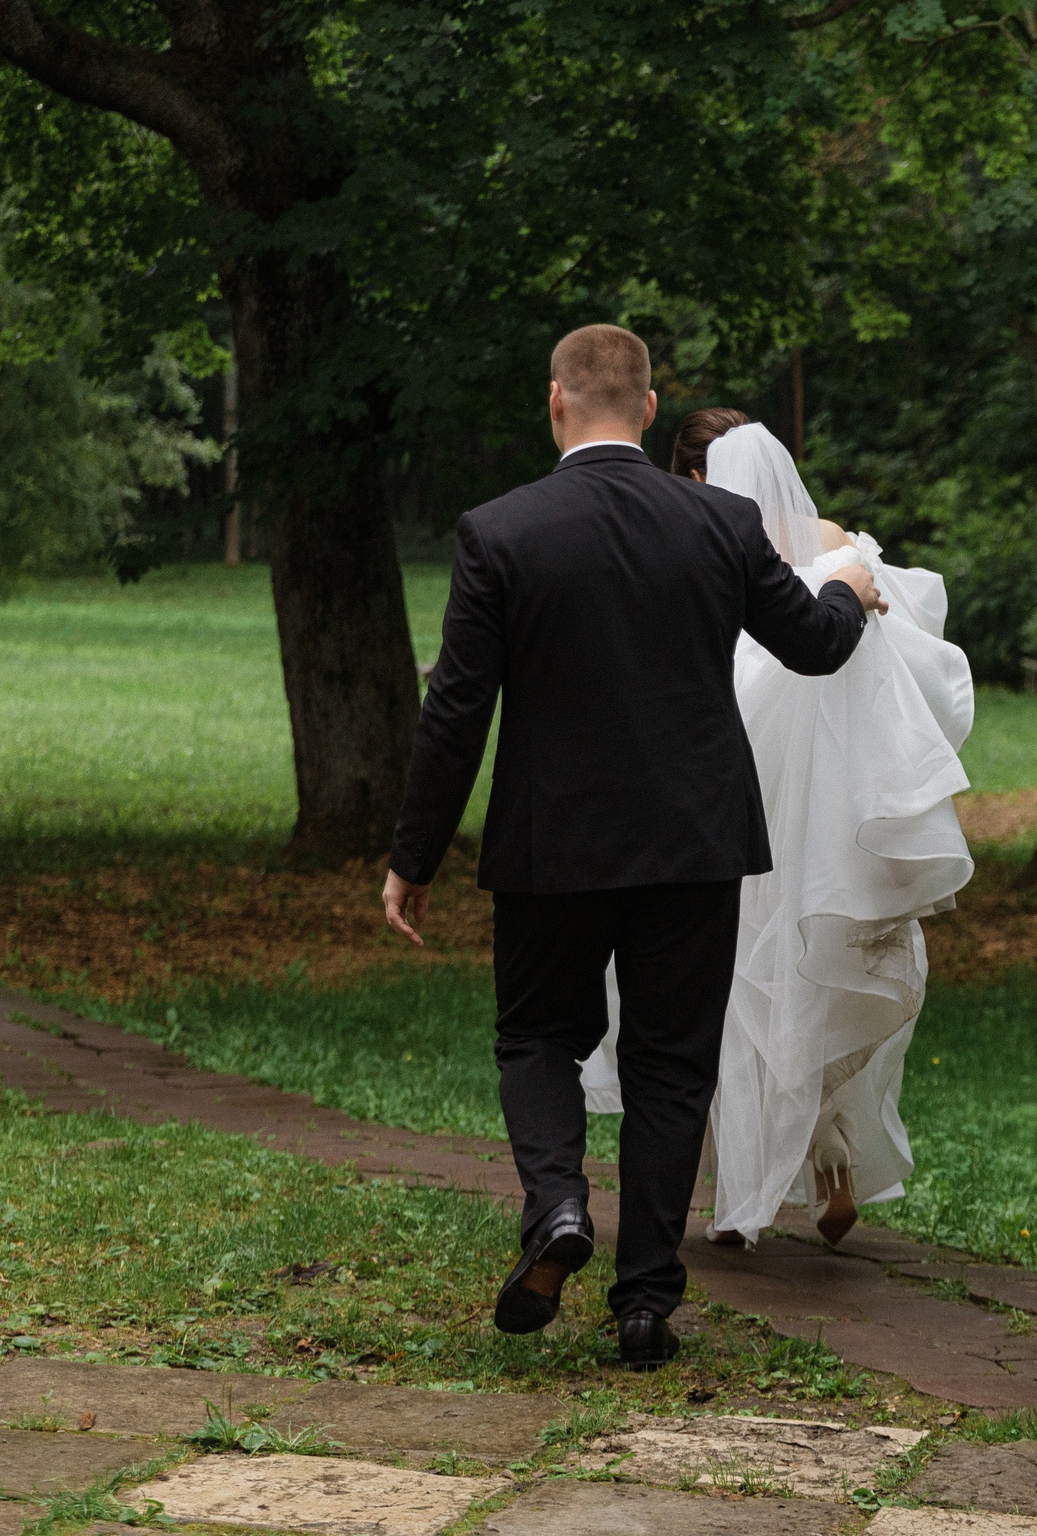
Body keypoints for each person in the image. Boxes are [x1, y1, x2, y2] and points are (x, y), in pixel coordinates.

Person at [381, 328, 886, 1371]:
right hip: (694, 843)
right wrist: (850, 586)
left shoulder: (500, 531)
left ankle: (559, 1204)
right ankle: (645, 1302)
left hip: (551, 843)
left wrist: (412, 855)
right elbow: (815, 642)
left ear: (555, 402)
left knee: (536, 1037)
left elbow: (455, 711)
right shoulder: (721, 520)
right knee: (669, 1069)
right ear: (649, 408)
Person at [582, 411, 973, 1246]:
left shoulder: (698, 546)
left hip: (731, 799)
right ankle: (829, 1166)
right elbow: (899, 662)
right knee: (809, 975)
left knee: (734, 992)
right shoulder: (831, 541)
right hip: (822, 813)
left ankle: (740, 1197)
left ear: (691, 479)